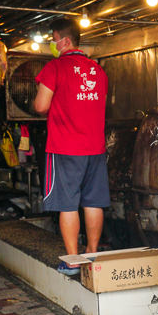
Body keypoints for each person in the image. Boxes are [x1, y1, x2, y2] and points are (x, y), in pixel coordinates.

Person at [33, 17, 109, 275]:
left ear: (65, 41)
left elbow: (41, 106)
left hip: (66, 146)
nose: (52, 45)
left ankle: (73, 261)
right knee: (93, 201)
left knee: (67, 203)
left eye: (53, 40)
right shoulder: (98, 70)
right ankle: (92, 252)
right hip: (95, 147)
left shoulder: (56, 67)